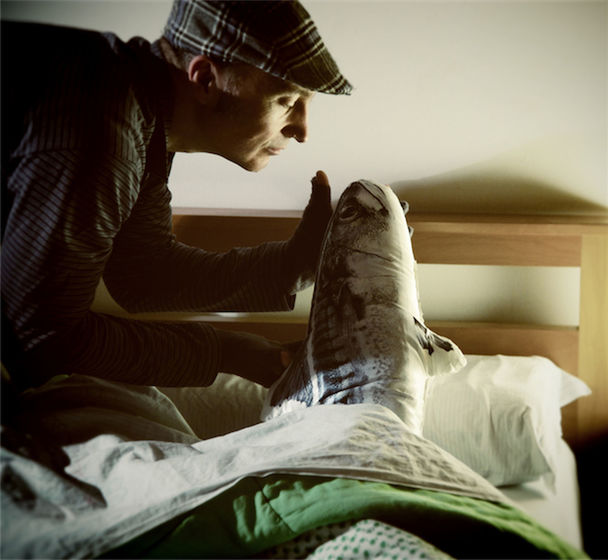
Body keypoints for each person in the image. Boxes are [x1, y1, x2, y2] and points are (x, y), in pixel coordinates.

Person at [0, 0, 352, 394]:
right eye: (287, 100)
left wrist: (293, 265)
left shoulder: (137, 109)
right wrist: (223, 351)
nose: (303, 131)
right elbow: (45, 339)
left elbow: (142, 274)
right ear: (204, 79)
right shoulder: (103, 138)